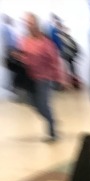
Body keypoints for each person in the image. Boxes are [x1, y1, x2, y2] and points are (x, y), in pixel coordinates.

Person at [19, 14, 64, 142]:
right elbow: (24, 56)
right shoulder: (25, 41)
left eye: (30, 23)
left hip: (44, 78)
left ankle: (52, 132)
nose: (28, 25)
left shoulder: (46, 42)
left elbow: (54, 61)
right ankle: (51, 119)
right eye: (26, 23)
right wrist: (19, 58)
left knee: (43, 105)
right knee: (34, 104)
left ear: (36, 24)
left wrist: (59, 78)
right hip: (30, 78)